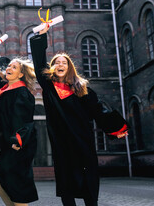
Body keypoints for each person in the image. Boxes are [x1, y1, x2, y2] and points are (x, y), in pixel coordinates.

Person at [29, 26, 128, 206]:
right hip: (62, 143)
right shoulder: (49, 88)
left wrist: (117, 128)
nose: (60, 65)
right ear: (52, 68)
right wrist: (41, 36)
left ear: (69, 68)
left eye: (64, 62)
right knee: (67, 184)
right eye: (56, 62)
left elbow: (99, 111)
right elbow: (39, 63)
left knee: (88, 182)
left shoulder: (82, 89)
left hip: (82, 141)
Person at [0, 43, 38, 206]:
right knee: (1, 185)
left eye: (14, 67)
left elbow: (25, 120)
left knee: (17, 188)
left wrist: (18, 139)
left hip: (17, 145)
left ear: (21, 73)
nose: (9, 68)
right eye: (9, 66)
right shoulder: (6, 89)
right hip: (7, 144)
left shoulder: (22, 92)